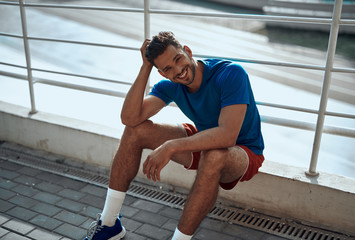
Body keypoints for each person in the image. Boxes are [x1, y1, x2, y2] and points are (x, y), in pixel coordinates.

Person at [84, 31, 264, 240]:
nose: (178, 70)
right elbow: (129, 118)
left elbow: (227, 136)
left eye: (178, 59)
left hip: (244, 152)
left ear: (187, 51)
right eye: (168, 68)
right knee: (136, 131)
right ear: (162, 73)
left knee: (214, 155)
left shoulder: (231, 73)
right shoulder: (171, 85)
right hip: (204, 141)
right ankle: (109, 224)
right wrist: (145, 67)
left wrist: (171, 146)